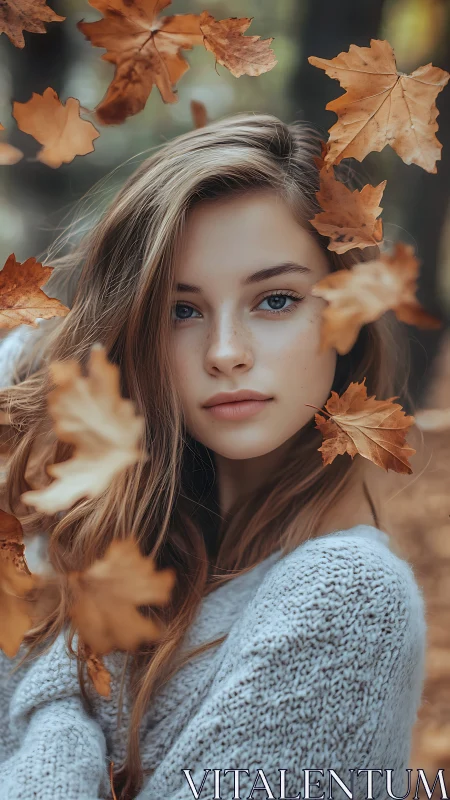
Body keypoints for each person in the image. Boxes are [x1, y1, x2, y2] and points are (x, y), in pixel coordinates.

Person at [0, 113, 426, 800]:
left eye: (276, 300)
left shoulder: (349, 598)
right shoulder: (116, 525)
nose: (226, 352)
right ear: (137, 333)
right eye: (183, 311)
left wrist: (58, 723)